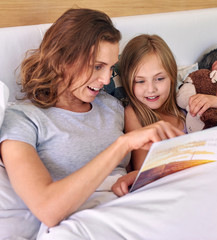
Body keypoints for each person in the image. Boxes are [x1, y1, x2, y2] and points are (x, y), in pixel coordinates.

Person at [0, 8, 183, 229]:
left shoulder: (112, 106)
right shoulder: (22, 119)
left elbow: (137, 171)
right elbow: (47, 209)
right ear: (62, 59)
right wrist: (122, 144)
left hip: (139, 213)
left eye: (110, 68)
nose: (106, 79)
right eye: (97, 66)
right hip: (82, 226)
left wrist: (137, 176)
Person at [109, 34, 186, 196]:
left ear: (172, 76)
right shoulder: (133, 114)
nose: (151, 89)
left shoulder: (184, 107)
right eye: (140, 81)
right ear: (129, 82)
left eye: (159, 79)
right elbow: (143, 169)